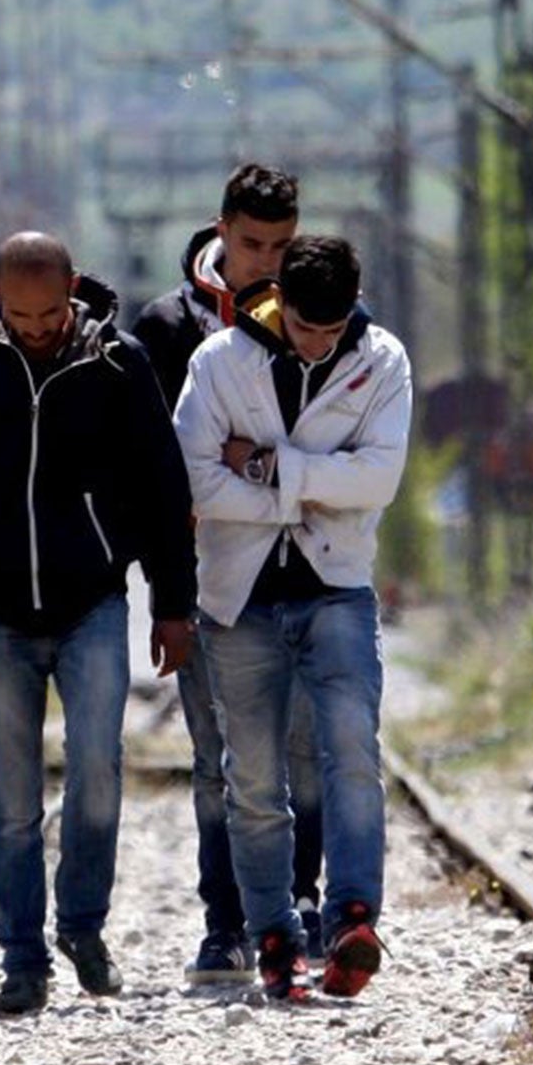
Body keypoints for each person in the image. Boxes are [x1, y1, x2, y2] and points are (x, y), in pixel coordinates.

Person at [0, 231, 196, 1016]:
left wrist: (172, 603)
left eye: (50, 311)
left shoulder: (119, 363)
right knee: (15, 800)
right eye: (20, 314)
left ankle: (84, 926)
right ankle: (23, 961)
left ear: (73, 291)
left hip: (92, 604)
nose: (37, 327)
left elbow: (164, 488)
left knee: (97, 770)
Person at [173, 234, 411, 1001]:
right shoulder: (217, 363)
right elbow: (197, 482)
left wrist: (267, 465)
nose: (320, 342)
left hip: (335, 586)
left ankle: (350, 919)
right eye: (307, 328)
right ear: (279, 302)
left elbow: (378, 478)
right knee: (252, 776)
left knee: (352, 753)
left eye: (333, 330)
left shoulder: (383, 360)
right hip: (239, 598)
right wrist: (309, 486)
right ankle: (271, 930)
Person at [133, 162, 326, 986]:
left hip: (301, 566)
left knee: (303, 750)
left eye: (283, 246)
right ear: (220, 231)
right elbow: (155, 464)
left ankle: (299, 905)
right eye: (252, 245)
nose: (268, 263)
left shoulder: (316, 316)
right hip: (208, 576)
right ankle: (225, 924)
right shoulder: (167, 326)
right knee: (217, 758)